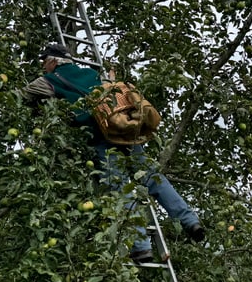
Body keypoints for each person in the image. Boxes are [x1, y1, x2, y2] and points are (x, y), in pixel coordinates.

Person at [21, 44, 204, 262]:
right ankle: (190, 221)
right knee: (153, 177)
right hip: (124, 131)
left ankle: (141, 247)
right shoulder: (90, 73)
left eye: (44, 62)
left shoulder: (49, 81)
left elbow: (20, 97)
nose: (43, 66)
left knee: (119, 186)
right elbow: (108, 90)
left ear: (53, 61)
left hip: (102, 138)